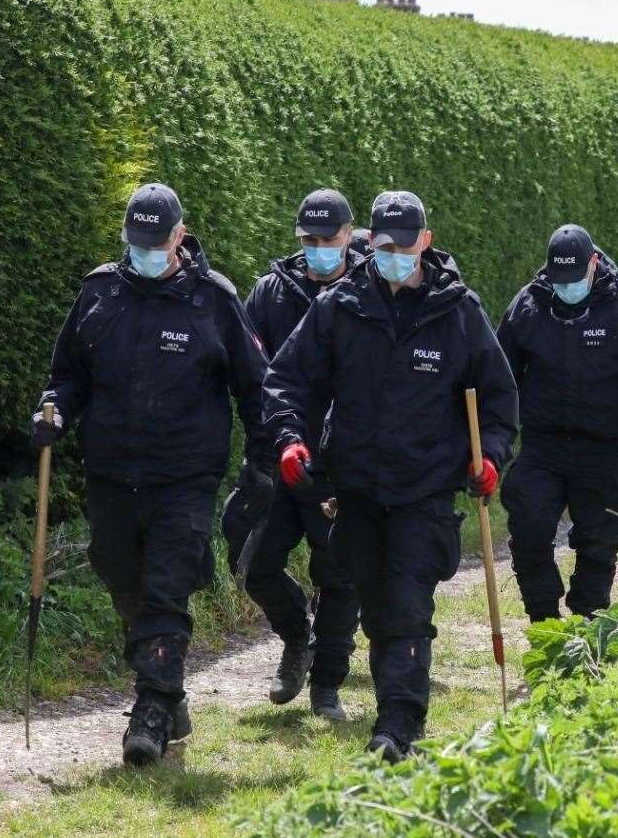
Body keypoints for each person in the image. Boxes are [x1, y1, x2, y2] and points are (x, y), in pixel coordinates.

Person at [263, 190, 518, 762]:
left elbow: (499, 401)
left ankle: (398, 726)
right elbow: (289, 380)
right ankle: (394, 713)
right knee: (377, 610)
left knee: (406, 608)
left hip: (424, 489)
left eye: (406, 245)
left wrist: (492, 457)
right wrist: (290, 438)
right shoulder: (341, 307)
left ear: (425, 241)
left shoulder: (458, 312)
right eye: (384, 245)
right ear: (369, 243)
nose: (395, 254)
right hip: (356, 488)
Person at [35, 183, 271, 767]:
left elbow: (255, 386)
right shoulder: (99, 292)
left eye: (154, 242)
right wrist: (55, 411)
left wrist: (267, 460)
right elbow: (69, 375)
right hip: (112, 472)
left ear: (179, 236)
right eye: (133, 241)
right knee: (121, 576)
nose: (142, 251)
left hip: (184, 476)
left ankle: (151, 713)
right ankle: (167, 686)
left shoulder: (213, 302)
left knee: (167, 586)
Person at [497, 225, 618, 622]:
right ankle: (543, 619)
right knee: (528, 529)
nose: (566, 288)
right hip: (543, 446)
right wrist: (492, 444)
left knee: (602, 536)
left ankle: (588, 618)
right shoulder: (530, 306)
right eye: (558, 279)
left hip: (604, 444)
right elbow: (499, 378)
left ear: (594, 264)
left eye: (575, 279)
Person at [236, 189, 363, 721]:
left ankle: (327, 685)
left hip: (343, 462)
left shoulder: (370, 293)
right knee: (252, 564)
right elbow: (247, 373)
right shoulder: (269, 294)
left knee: (339, 573)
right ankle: (297, 637)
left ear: (350, 236)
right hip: (277, 455)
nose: (317, 250)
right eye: (307, 241)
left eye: (327, 240)